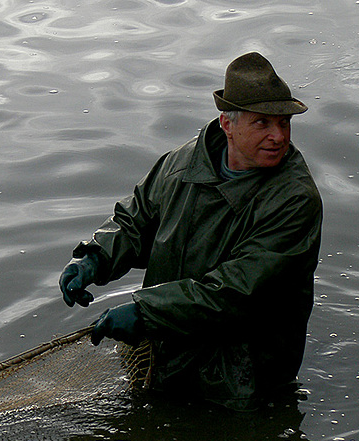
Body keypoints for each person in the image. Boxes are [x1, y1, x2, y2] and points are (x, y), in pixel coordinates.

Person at [59, 52, 322, 410]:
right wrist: (95, 258)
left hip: (242, 380)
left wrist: (146, 312)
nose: (279, 136)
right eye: (263, 123)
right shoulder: (180, 164)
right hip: (165, 351)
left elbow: (238, 291)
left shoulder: (294, 200)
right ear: (228, 124)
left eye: (284, 123)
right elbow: (135, 221)